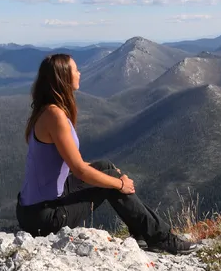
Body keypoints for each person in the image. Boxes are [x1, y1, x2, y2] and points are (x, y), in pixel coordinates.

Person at [15, 53, 199, 255]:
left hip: (33, 208)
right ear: (63, 77)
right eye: (75, 70)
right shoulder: (55, 115)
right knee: (110, 180)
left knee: (104, 167)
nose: (79, 73)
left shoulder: (47, 110)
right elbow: (79, 170)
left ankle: (142, 234)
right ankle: (161, 238)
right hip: (43, 217)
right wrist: (119, 184)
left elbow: (75, 164)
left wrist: (111, 176)